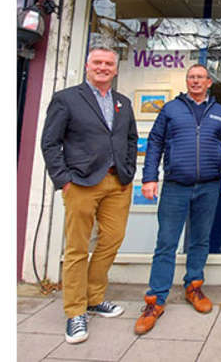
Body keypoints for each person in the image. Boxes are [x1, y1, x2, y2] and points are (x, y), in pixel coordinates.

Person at [41, 45, 138, 344]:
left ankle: (94, 298)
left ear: (115, 69)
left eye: (108, 63)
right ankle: (75, 312)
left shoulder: (122, 102)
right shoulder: (67, 99)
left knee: (112, 240)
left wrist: (129, 171)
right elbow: (49, 143)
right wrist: (64, 180)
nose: (103, 67)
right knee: (77, 249)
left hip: (117, 183)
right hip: (81, 183)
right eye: (98, 62)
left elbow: (131, 138)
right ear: (87, 66)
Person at [134, 64, 221, 335]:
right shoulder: (170, 109)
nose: (195, 81)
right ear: (187, 80)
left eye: (200, 78)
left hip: (210, 186)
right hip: (175, 186)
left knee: (200, 240)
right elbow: (155, 142)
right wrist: (149, 178)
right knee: (166, 242)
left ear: (208, 82)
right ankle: (155, 300)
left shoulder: (219, 112)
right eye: (192, 77)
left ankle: (193, 286)